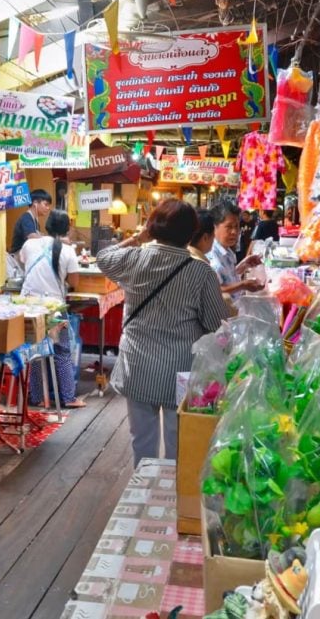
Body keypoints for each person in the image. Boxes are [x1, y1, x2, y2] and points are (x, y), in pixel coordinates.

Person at [98, 199, 230, 466]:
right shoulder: (200, 272)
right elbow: (217, 324)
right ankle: (173, 498)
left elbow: (103, 259)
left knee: (141, 441)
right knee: (177, 441)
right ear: (191, 233)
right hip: (180, 369)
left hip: (138, 364)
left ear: (153, 226)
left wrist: (138, 238)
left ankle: (142, 490)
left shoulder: (135, 258)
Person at [19, 210, 84, 408]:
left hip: (28, 306)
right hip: (54, 308)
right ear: (67, 229)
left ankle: (37, 397)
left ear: (46, 226)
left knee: (34, 353)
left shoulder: (30, 244)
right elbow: (74, 282)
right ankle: (68, 398)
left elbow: (24, 263)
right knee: (61, 351)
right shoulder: (68, 251)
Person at [208, 201, 264, 298]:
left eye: (237, 226)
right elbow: (215, 290)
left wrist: (243, 265)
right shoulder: (211, 256)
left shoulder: (227, 251)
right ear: (214, 227)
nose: (234, 232)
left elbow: (227, 276)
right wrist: (243, 285)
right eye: (229, 227)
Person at [9, 189, 53, 255]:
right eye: (46, 204)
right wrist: (53, 240)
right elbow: (32, 236)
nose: (48, 208)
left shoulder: (35, 221)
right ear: (35, 203)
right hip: (17, 259)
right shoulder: (26, 218)